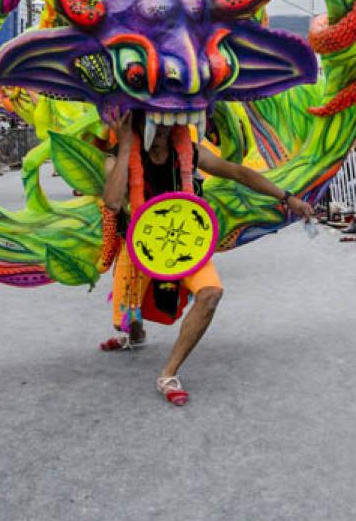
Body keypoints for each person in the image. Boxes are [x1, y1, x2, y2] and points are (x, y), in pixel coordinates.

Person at [102, 110, 313, 405]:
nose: (163, 129)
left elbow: (239, 173)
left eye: (168, 122)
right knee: (126, 320)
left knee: (211, 294)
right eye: (154, 122)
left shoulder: (187, 151)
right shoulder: (116, 156)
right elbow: (112, 202)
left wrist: (287, 197)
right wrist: (125, 147)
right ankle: (133, 333)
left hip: (185, 245)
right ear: (137, 123)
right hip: (140, 249)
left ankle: (168, 373)